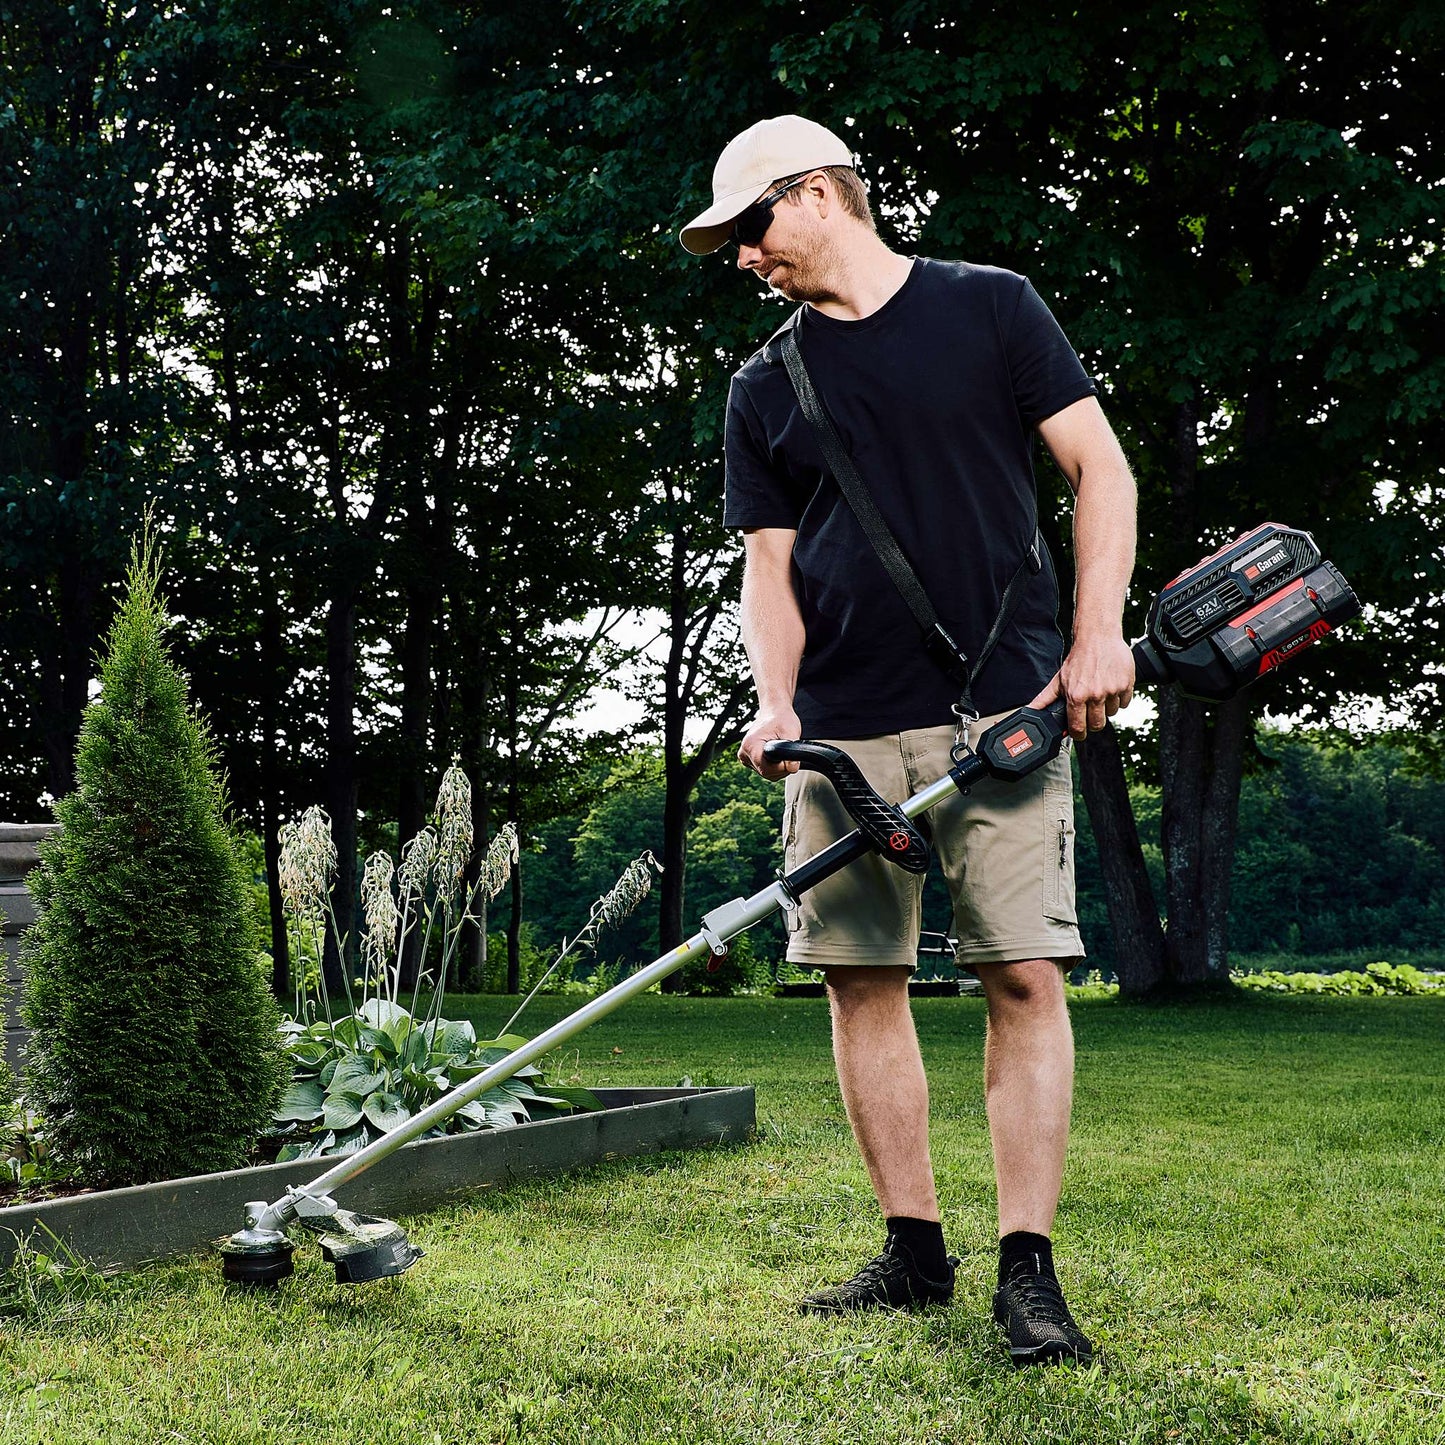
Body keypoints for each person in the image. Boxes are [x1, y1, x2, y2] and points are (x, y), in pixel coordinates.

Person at [679, 116, 1137, 1368]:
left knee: (1022, 971)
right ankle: (912, 1246)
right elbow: (765, 568)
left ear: (818, 194)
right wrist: (773, 701)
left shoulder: (989, 309)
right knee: (858, 976)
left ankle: (1027, 1273)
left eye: (751, 228)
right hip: (838, 723)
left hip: (1000, 703)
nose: (742, 257)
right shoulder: (764, 383)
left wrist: (1095, 635)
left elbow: (1099, 469)